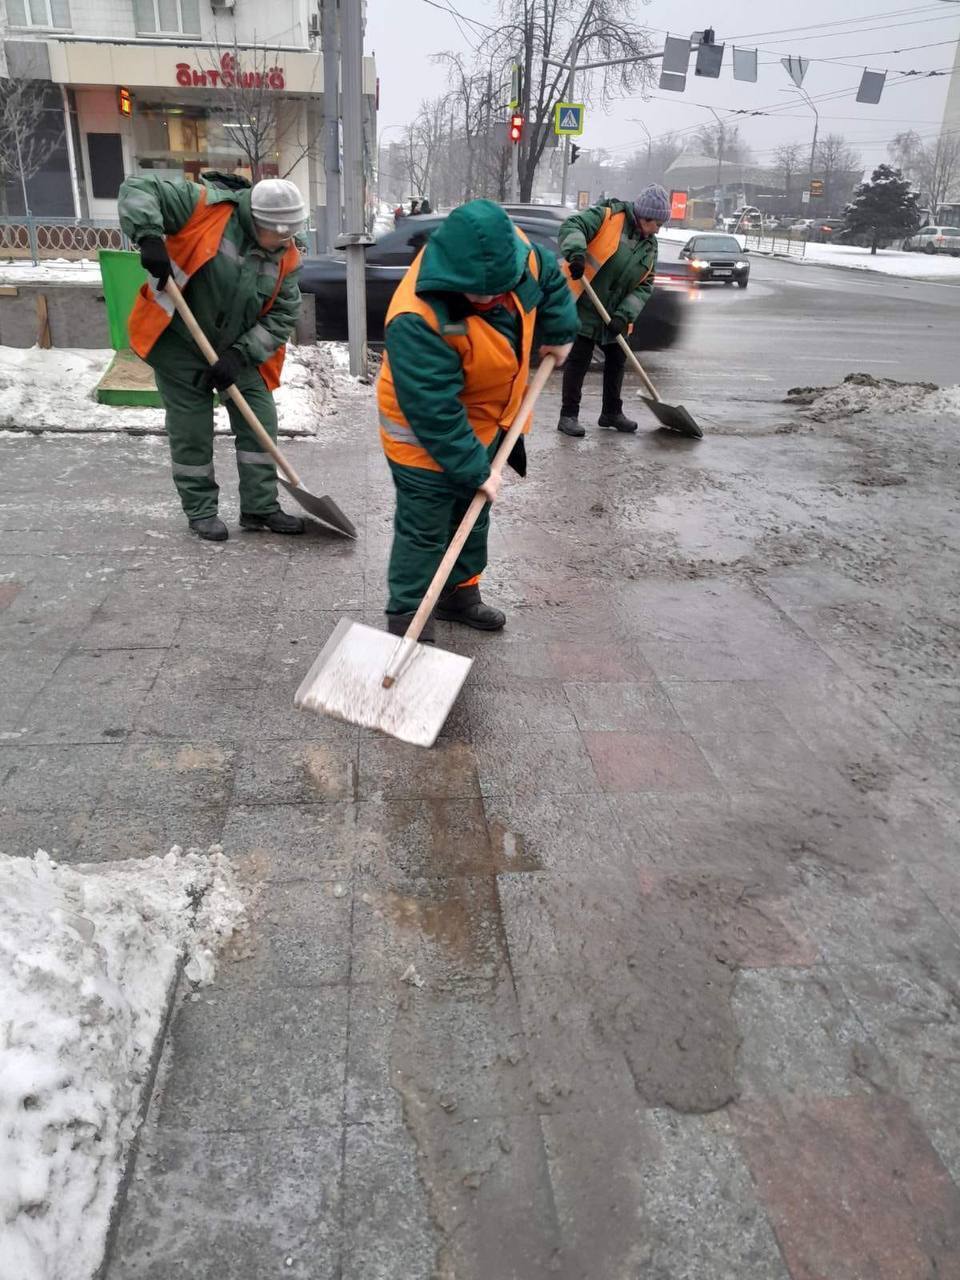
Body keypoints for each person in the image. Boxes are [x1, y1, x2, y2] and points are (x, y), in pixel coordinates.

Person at [377, 199, 577, 638]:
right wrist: (473, 468)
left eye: (498, 289)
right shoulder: (417, 317)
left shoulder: (519, 255)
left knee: (473, 512)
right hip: (422, 433)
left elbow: (552, 281)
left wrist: (560, 331)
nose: (489, 299)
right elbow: (433, 410)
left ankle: (459, 595)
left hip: (487, 420)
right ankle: (408, 627)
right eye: (478, 292)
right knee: (424, 530)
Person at [118, 171, 307, 542]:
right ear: (255, 220)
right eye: (277, 232)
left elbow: (283, 314)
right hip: (179, 338)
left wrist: (240, 355)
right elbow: (139, 187)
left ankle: (260, 506)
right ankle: (201, 511)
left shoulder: (287, 256)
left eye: (290, 232)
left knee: (259, 419)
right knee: (192, 428)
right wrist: (149, 237)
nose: (284, 241)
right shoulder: (202, 207)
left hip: (237, 347)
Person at [555, 182, 671, 438]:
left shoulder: (649, 244)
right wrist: (576, 254)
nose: (658, 230)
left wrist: (623, 315)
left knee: (617, 360)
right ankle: (568, 416)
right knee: (579, 360)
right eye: (658, 224)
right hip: (586, 302)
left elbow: (646, 284)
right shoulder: (608, 217)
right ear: (645, 216)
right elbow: (573, 226)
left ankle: (611, 413)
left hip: (614, 311)